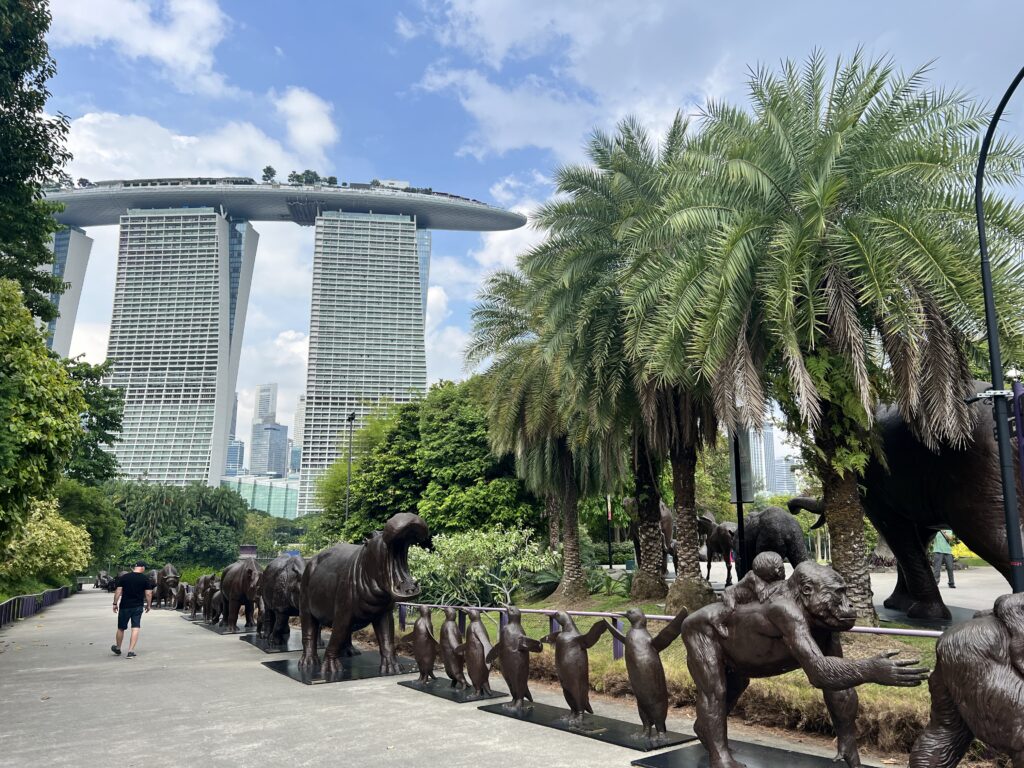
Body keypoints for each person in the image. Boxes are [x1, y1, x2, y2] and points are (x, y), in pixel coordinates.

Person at [111, 561, 153, 658]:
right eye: (145, 567)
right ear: (142, 567)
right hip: (137, 606)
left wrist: (114, 603)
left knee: (121, 628)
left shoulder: (125, 577)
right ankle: (130, 651)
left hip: (125, 606)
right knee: (135, 627)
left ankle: (118, 648)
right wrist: (149, 605)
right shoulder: (145, 578)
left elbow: (118, 591)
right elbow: (148, 594)